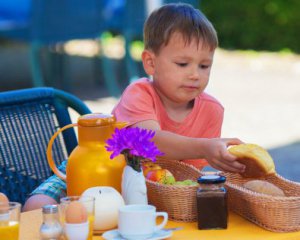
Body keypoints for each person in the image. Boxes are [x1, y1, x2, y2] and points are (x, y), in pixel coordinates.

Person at [23, 3, 245, 211]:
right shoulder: (139, 93)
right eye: (182, 64)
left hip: (150, 189)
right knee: (39, 205)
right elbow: (148, 141)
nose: (195, 74)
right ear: (150, 62)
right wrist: (204, 146)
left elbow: (185, 175)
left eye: (204, 65)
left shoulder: (212, 111)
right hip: (98, 168)